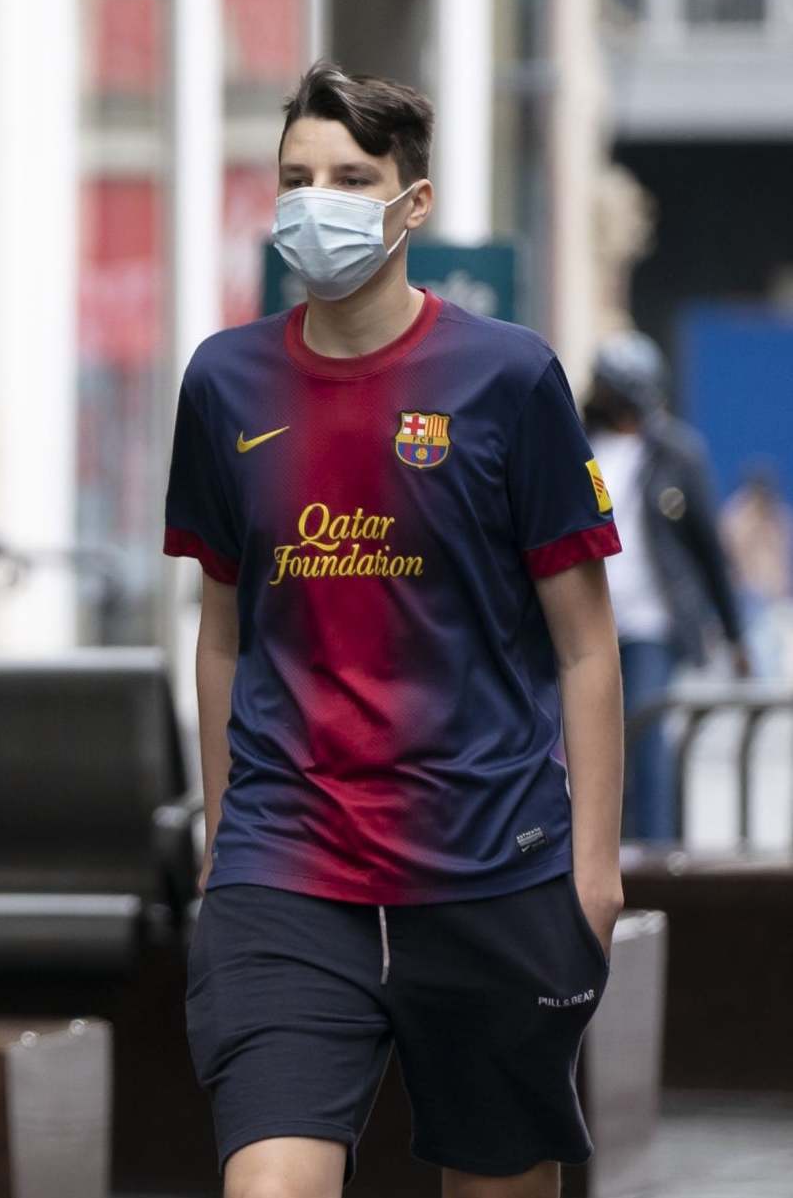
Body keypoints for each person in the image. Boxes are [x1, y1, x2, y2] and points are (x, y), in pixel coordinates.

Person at [165, 63, 625, 1198]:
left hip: (490, 870)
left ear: (411, 204)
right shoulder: (223, 383)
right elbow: (220, 627)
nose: (312, 201)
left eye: (348, 177)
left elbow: (583, 643)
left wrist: (594, 872)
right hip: (286, 865)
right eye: (293, 178)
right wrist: (228, 835)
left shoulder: (507, 378)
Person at [582, 332, 749, 841]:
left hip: (651, 619)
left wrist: (735, 632)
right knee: (589, 741)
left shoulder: (677, 452)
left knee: (645, 730)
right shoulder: (575, 443)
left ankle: (652, 851)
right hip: (587, 619)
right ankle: (598, 849)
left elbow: (709, 551)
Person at [719, 460, 791, 684]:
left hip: (774, 598)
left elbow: (782, 558)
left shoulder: (779, 515)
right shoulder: (737, 515)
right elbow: (730, 553)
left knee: (776, 651)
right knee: (754, 648)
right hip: (746, 596)